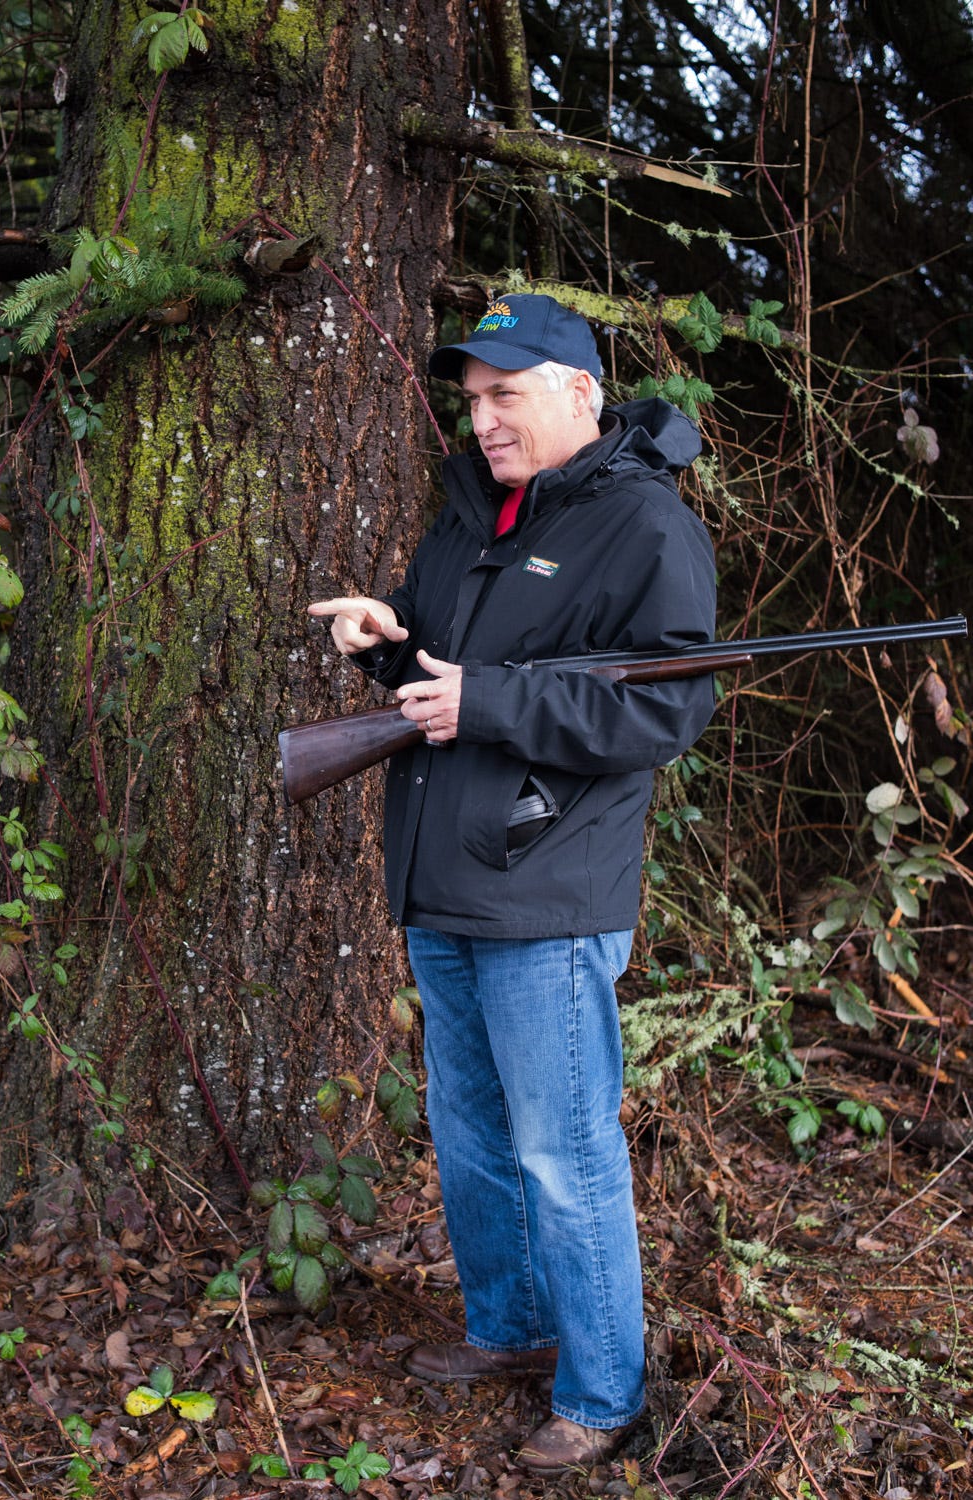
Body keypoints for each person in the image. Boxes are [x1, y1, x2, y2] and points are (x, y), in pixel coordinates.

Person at [307, 293, 717, 1475]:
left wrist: (481, 702)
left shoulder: (642, 525)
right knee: (470, 1134)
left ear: (579, 392)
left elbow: (664, 706)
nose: (483, 418)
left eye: (507, 393)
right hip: (442, 876)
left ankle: (601, 1393)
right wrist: (389, 645)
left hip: (547, 892)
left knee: (563, 1149)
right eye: (473, 398)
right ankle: (509, 1330)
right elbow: (444, 673)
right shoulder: (468, 514)